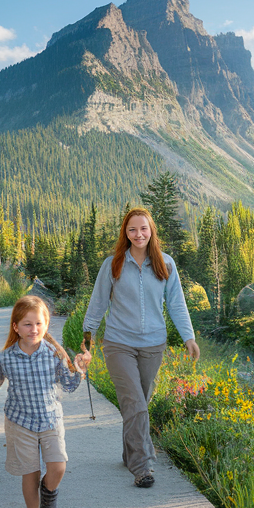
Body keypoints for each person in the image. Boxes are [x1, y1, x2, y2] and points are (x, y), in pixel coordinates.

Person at [83, 207, 199, 490]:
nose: (139, 234)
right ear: (125, 232)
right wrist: (87, 344)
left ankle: (129, 454)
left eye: (143, 229)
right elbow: (98, 303)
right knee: (135, 403)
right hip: (118, 344)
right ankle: (142, 465)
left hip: (153, 345)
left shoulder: (165, 264)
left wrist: (189, 338)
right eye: (132, 229)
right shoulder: (113, 264)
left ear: (151, 231)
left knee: (139, 405)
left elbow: (176, 304)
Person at [0, 296, 92, 508]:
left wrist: (80, 367)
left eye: (39, 323)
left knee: (58, 467)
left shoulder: (53, 353)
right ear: (16, 326)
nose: (34, 329)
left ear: (46, 324)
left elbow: (70, 385)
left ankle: (48, 493)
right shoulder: (5, 357)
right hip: (20, 422)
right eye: (27, 324)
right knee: (30, 472)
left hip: (50, 419)